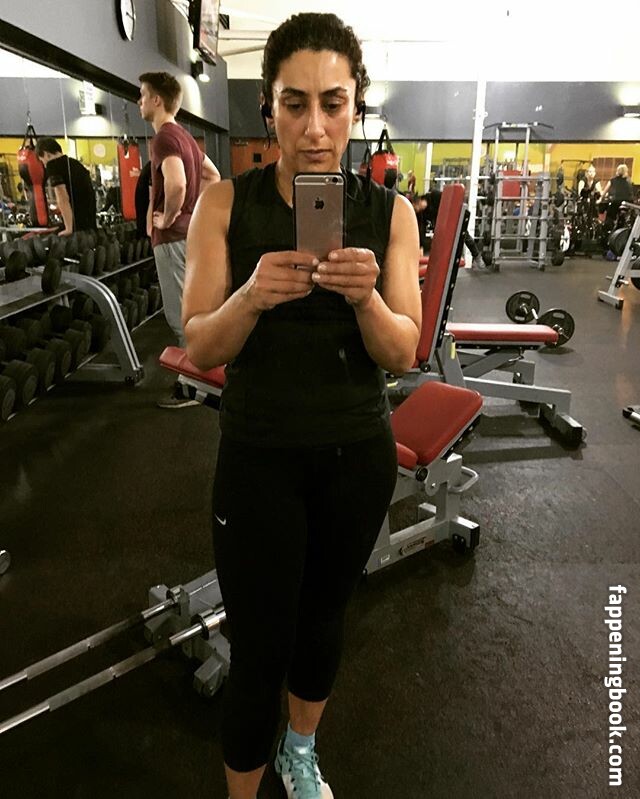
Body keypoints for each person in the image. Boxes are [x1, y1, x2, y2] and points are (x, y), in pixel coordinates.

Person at [182, 12, 421, 799]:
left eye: (333, 103)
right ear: (268, 109)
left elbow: (404, 351)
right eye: (295, 104)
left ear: (356, 108)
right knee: (259, 648)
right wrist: (252, 296)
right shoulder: (224, 204)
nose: (315, 129)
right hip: (259, 459)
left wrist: (366, 300)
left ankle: (301, 751)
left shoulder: (391, 214)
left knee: (322, 622)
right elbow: (201, 344)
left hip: (355, 458)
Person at [137, 70, 221, 407]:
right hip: (184, 235)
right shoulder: (186, 138)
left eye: (143, 95)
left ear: (157, 100)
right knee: (192, 311)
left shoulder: (164, 138)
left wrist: (170, 216)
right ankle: (200, 379)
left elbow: (177, 184)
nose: (139, 101)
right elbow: (212, 175)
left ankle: (193, 388)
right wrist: (194, 213)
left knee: (181, 317)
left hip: (172, 237)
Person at [35, 137, 97, 235]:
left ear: (46, 154)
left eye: (42, 161)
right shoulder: (75, 163)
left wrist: (68, 228)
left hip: (76, 225)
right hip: (89, 224)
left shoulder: (53, 165)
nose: (44, 165)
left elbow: (62, 197)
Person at [600, 163, 633, 232]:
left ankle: (607, 230)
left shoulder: (613, 180)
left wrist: (600, 199)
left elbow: (605, 191)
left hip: (616, 202)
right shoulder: (629, 180)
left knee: (609, 215)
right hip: (627, 203)